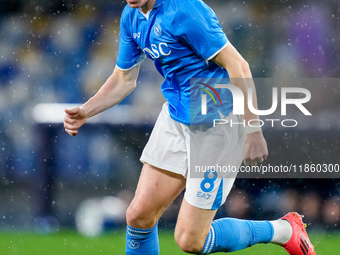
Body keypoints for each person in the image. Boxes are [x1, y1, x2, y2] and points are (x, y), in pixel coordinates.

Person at [64, 0, 316, 254]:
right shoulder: (131, 16)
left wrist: (253, 128)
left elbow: (238, 66)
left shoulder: (185, 9)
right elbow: (124, 78)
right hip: (176, 117)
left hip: (217, 124)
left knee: (191, 241)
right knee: (138, 215)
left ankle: (284, 230)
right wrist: (87, 110)